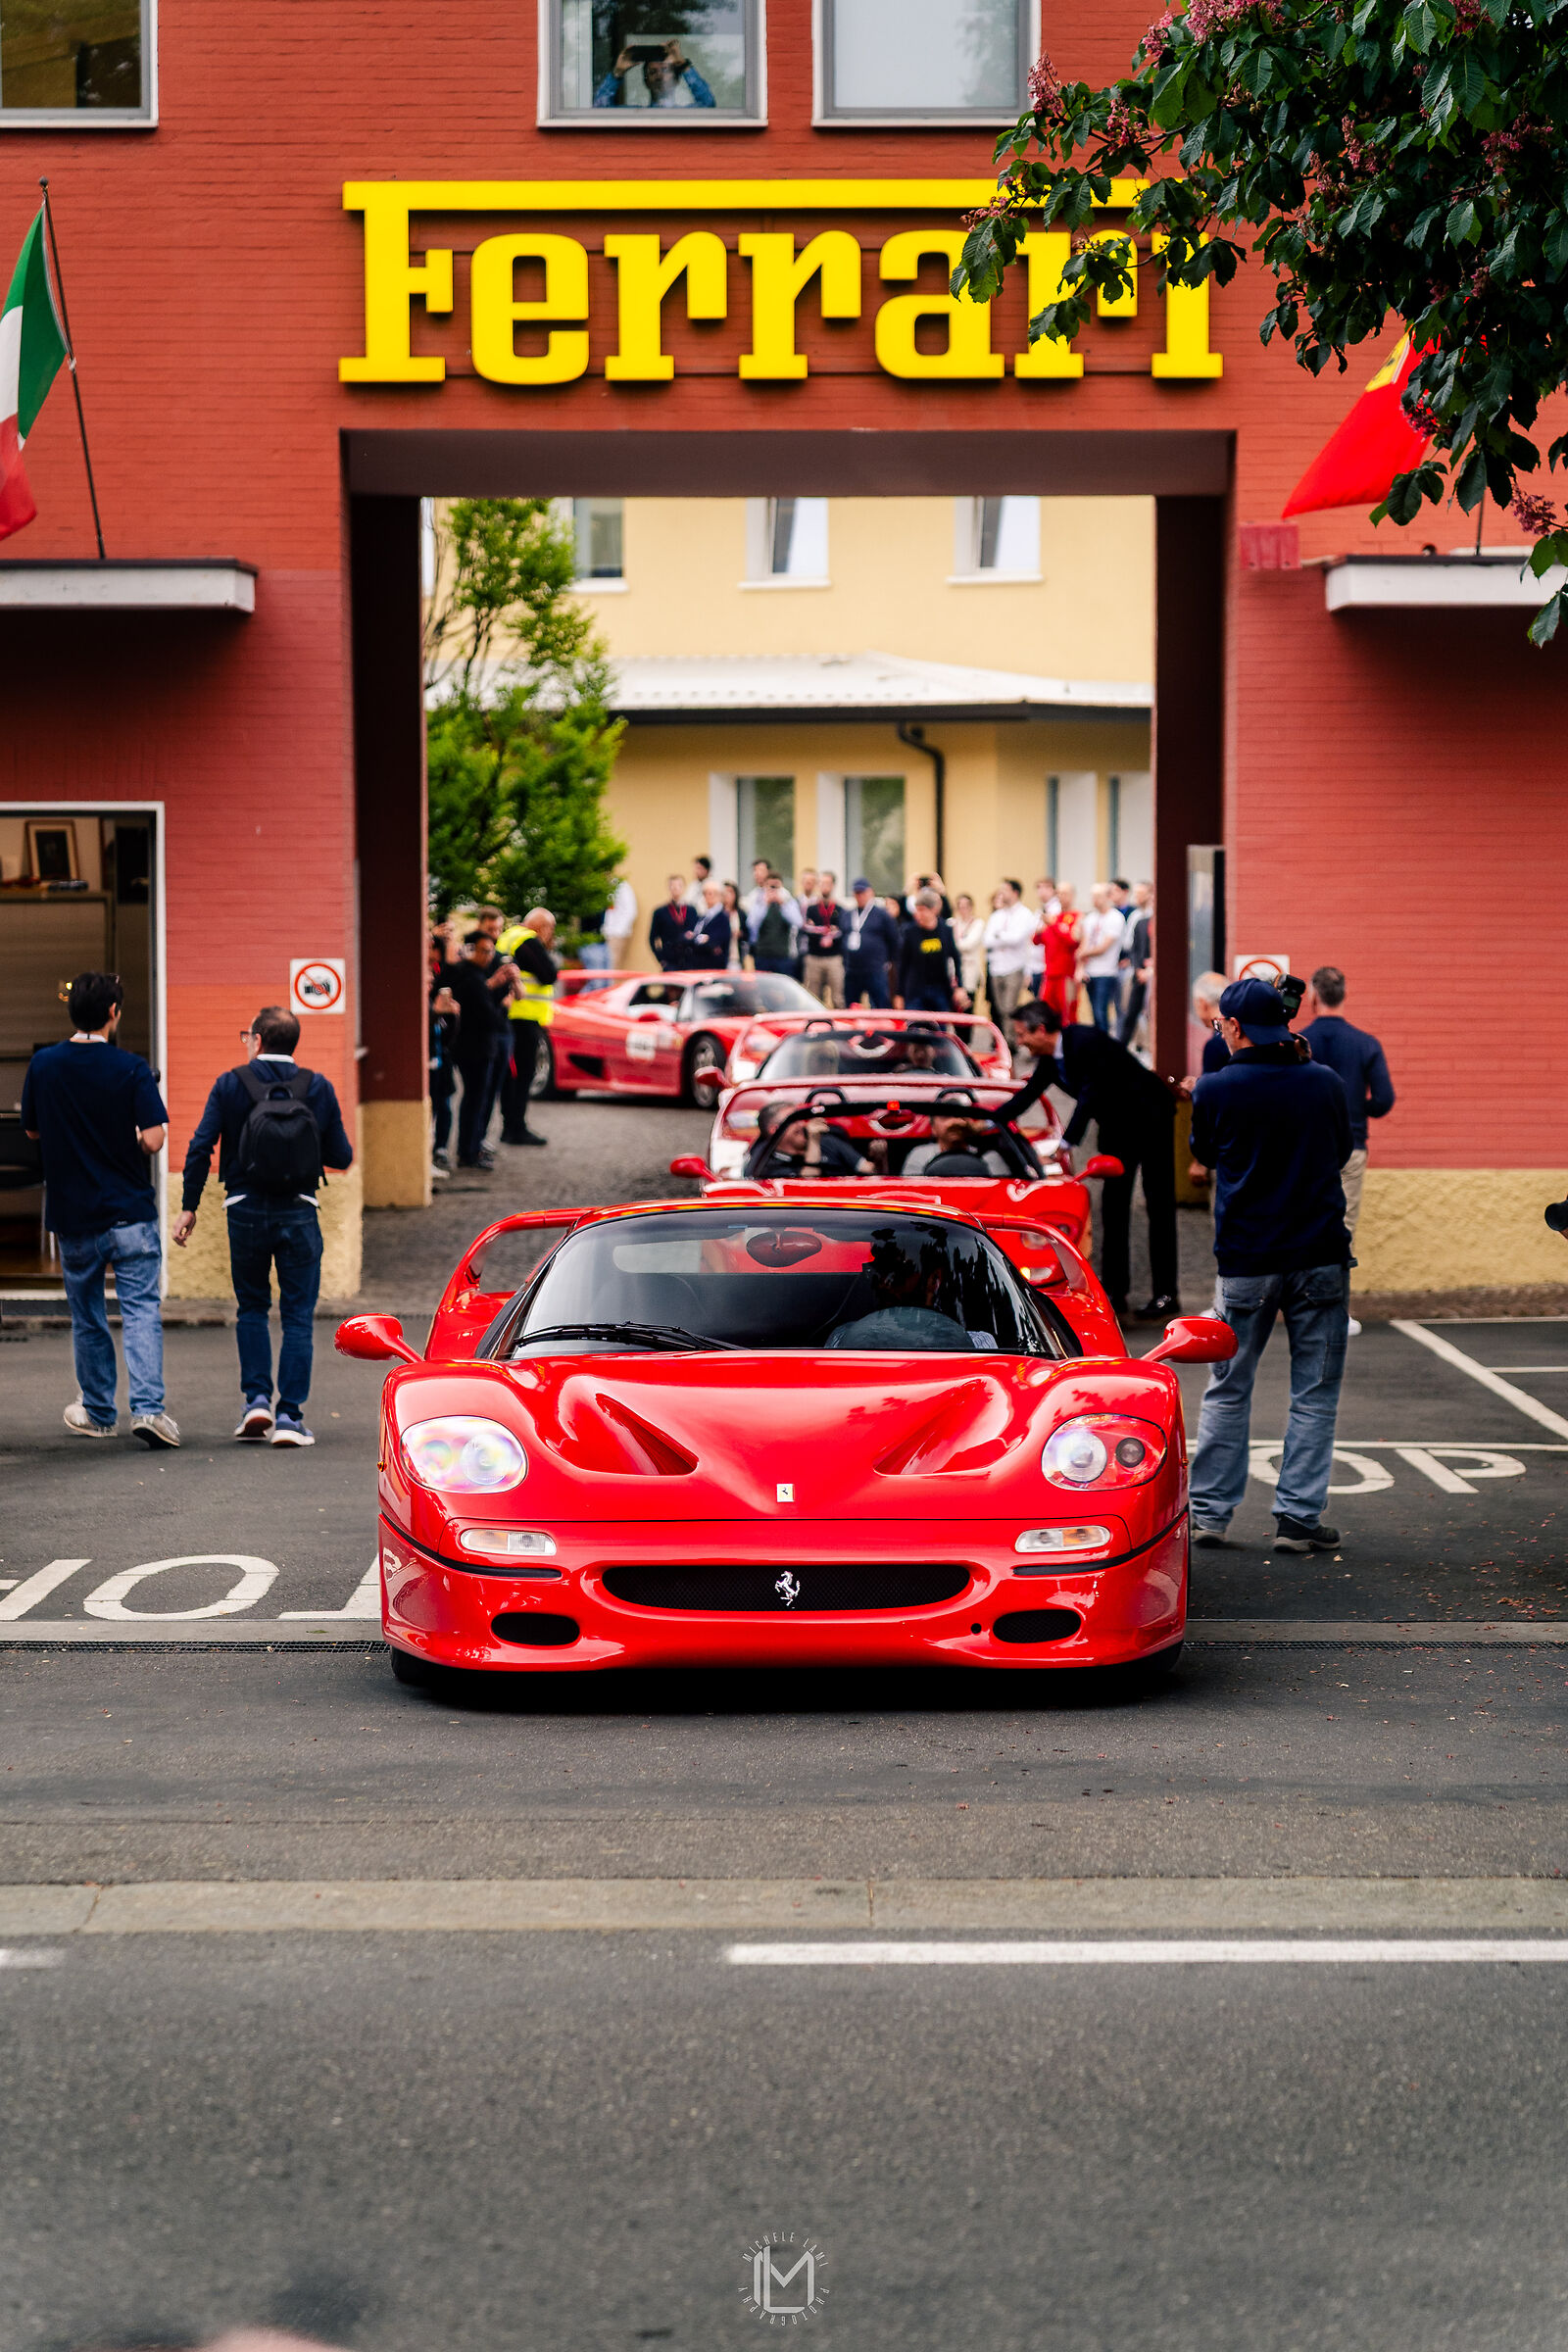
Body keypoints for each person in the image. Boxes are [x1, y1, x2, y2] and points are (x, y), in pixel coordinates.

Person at [1187, 977, 1354, 1554]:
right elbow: (1339, 1153)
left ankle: (1208, 1513)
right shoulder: (1325, 1083)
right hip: (1319, 1254)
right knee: (1314, 1392)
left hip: (1246, 1258)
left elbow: (1205, 1155)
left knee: (1228, 1388)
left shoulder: (1214, 1089)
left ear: (1233, 1028)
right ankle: (1298, 1518)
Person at [174, 1004, 354, 1447]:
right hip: (299, 1210)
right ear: (294, 1043)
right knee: (297, 1315)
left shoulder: (230, 1083)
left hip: (244, 1210)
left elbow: (200, 1147)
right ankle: (290, 1418)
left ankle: (256, 1400)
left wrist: (189, 1206)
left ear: (256, 1040)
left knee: (252, 1307)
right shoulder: (318, 1086)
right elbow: (342, 1156)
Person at [22, 970, 177, 1448]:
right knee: (141, 1310)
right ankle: (149, 1410)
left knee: (87, 1315)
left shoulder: (44, 1065)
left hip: (74, 1215)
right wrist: (125, 1137)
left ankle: (98, 1410)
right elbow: (154, 1137)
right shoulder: (130, 1068)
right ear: (114, 1013)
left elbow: (32, 1132)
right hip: (129, 1212)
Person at [997, 1002, 1180, 1321]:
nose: (1020, 1041)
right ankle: (1114, 1291)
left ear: (1041, 1030)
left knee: (1159, 1205)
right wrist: (986, 1123)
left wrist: (1065, 1143)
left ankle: (1166, 1294)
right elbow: (1026, 1096)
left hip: (1151, 1119)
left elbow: (1091, 1092)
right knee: (1112, 1205)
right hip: (1116, 1128)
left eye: (1022, 1034)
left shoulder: (1085, 1040)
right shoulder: (1051, 1061)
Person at [449, 932, 514, 1167]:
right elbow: (489, 1018)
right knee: (475, 1101)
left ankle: (472, 1148)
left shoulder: (473, 975)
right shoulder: (471, 978)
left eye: (490, 951)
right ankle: (469, 1151)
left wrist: (496, 985)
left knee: (476, 1101)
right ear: (471, 950)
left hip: (476, 1048)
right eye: (484, 951)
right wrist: (504, 1006)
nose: (488, 956)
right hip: (475, 1050)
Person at [495, 907, 559, 1147]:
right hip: (523, 1017)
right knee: (523, 1074)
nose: (549, 935)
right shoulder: (525, 939)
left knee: (512, 1075)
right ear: (541, 926)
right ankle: (516, 1128)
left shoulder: (508, 936)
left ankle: (509, 1127)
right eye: (549, 929)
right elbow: (549, 974)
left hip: (512, 1016)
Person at [744, 1102, 877, 1180]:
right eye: (794, 1121)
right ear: (775, 1129)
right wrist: (813, 1141)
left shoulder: (827, 1142)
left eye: (801, 1119)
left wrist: (880, 1157)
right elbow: (807, 1184)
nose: (802, 1124)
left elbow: (870, 1171)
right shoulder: (764, 1164)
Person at [896, 890, 969, 1013]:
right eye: (917, 910)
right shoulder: (910, 932)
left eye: (922, 910)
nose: (918, 914)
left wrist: (959, 987)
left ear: (934, 910)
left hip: (939, 989)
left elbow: (956, 958)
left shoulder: (945, 930)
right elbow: (903, 964)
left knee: (940, 1030)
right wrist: (899, 994)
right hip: (915, 990)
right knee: (915, 1028)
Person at [981, 878, 1036, 1042]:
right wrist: (1003, 937)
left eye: (1005, 890)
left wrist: (999, 936)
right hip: (996, 967)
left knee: (1009, 1008)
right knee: (998, 1008)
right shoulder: (997, 915)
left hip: (1014, 967)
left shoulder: (1024, 914)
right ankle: (1003, 1041)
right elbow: (987, 940)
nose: (1001, 893)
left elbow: (1017, 938)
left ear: (1015, 893)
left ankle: (1012, 1042)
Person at [594, 38, 715, 108]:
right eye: (652, 72)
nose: (659, 75)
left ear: (677, 80)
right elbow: (599, 108)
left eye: (665, 70)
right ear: (646, 82)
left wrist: (683, 65)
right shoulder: (634, 115)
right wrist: (617, 73)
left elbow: (708, 104)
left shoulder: (684, 114)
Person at [841, 879, 899, 1007]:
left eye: (862, 892)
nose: (859, 896)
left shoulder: (882, 915)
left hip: (875, 969)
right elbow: (843, 938)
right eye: (856, 893)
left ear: (870, 892)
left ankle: (882, 1028)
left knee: (880, 1005)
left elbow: (894, 940)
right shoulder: (848, 914)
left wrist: (887, 962)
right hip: (852, 970)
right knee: (851, 1005)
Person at [1079, 883, 1125, 1033]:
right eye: (1093, 896)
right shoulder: (1091, 918)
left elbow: (1104, 947)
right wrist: (1081, 967)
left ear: (1108, 897)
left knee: (1101, 1012)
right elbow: (1084, 942)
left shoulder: (1115, 918)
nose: (1095, 900)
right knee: (1094, 1012)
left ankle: (1104, 1047)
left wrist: (1083, 953)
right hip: (1090, 972)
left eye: (1098, 896)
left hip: (1106, 972)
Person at [903, 1115, 1009, 1178]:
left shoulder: (989, 1157)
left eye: (961, 1116)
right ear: (933, 1128)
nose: (954, 1122)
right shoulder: (920, 1155)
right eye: (945, 1117)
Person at [1038, 882, 1081, 1025]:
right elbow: (1037, 940)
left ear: (1073, 896)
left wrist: (1054, 924)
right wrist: (1042, 926)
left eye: (1065, 893)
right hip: (1049, 973)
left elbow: (1072, 940)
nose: (1061, 897)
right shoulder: (1053, 917)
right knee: (1047, 1012)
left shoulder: (1077, 916)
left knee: (1067, 1013)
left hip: (1066, 973)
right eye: (1059, 894)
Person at [1118, 884, 1153, 1048]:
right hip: (1139, 972)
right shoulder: (1141, 921)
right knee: (1131, 1011)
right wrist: (1139, 969)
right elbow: (1135, 948)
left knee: (1151, 1012)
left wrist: (1150, 969)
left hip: (1152, 973)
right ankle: (1121, 1047)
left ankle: (1149, 1046)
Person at [802, 873, 846, 1004]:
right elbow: (806, 929)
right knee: (813, 997)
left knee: (838, 998)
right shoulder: (811, 909)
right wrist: (824, 932)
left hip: (834, 958)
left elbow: (843, 931)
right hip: (814, 957)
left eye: (827, 883)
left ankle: (841, 1024)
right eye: (821, 883)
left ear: (833, 886)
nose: (824, 886)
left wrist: (831, 935)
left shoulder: (840, 909)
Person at [751, 877, 799, 976]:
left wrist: (782, 904)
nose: (773, 890)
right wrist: (765, 904)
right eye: (770, 887)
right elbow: (752, 924)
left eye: (776, 887)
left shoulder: (789, 902)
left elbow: (798, 922)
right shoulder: (759, 903)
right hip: (763, 956)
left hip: (783, 956)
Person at [650, 875, 699, 970]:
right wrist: (661, 959)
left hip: (688, 961)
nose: (676, 889)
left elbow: (696, 933)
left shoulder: (692, 911)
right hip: (670, 961)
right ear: (669, 888)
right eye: (673, 886)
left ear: (684, 887)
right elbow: (652, 938)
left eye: (679, 885)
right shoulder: (660, 912)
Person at [688, 880, 733, 970]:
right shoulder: (703, 916)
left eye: (711, 894)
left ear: (719, 896)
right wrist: (700, 938)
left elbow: (715, 942)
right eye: (705, 894)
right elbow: (692, 938)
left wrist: (700, 939)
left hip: (714, 967)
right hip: (699, 966)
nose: (707, 897)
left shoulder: (723, 917)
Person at [953, 893, 984, 1003]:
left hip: (970, 969)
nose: (962, 910)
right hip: (954, 971)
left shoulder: (978, 924)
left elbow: (968, 945)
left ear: (971, 907)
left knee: (968, 1003)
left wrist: (955, 944)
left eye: (965, 906)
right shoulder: (953, 923)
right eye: (959, 906)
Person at [602, 875, 638, 970]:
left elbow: (631, 911)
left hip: (616, 934)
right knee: (603, 970)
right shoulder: (604, 886)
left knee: (611, 968)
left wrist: (618, 932)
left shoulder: (621, 886)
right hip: (605, 934)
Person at [721, 879, 749, 969]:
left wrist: (740, 934)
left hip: (735, 956)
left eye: (730, 892)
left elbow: (747, 933)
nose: (727, 896)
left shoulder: (740, 913)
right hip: (721, 956)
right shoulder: (719, 913)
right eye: (725, 893)